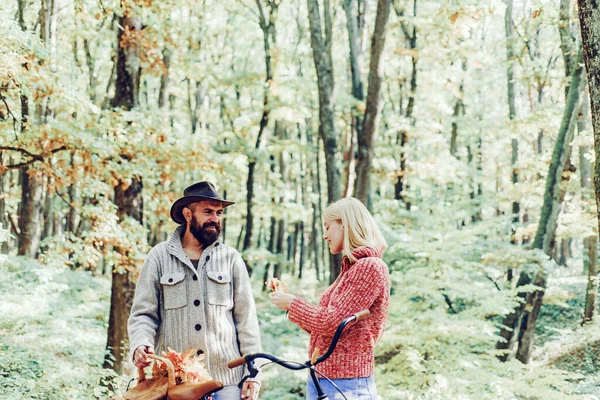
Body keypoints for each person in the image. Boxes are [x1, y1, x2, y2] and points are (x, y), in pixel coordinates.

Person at [128, 181, 262, 400]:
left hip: (227, 381)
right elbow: (143, 314)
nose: (215, 219)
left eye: (218, 213)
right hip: (177, 383)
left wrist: (254, 373)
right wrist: (140, 344)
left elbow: (247, 321)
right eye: (207, 212)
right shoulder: (159, 257)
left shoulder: (231, 259)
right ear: (188, 214)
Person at [270, 197, 390, 399]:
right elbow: (326, 330)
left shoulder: (370, 267)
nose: (325, 236)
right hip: (325, 378)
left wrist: (292, 303)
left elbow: (332, 323)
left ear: (345, 223)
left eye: (327, 227)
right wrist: (288, 305)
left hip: (347, 384)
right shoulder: (351, 269)